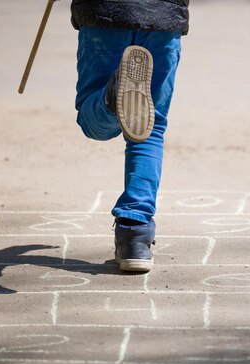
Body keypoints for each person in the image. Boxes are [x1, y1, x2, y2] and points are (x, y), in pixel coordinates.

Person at [70, 0, 190, 272]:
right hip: (163, 16)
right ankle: (134, 233)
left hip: (105, 12)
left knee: (95, 125)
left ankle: (110, 98)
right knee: (150, 127)